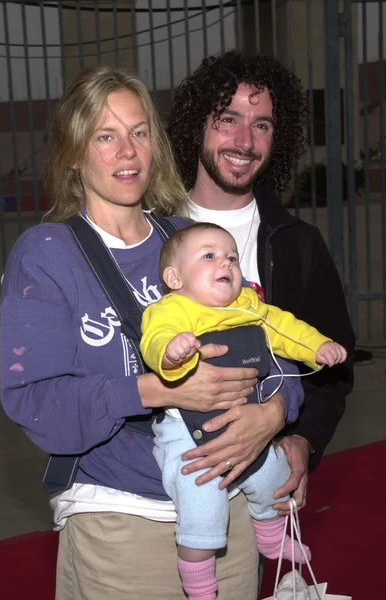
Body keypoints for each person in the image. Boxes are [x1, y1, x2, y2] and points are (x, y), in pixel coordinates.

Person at [0, 65, 300, 600]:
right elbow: (35, 402)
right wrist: (160, 389)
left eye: (139, 133)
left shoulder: (191, 241)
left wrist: (273, 413)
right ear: (74, 153)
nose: (128, 151)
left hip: (227, 511)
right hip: (121, 521)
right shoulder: (47, 255)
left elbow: (271, 342)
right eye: (105, 136)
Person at [167, 51, 355, 531]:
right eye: (228, 119)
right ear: (198, 125)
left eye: (263, 125)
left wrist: (302, 438)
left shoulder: (298, 244)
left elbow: (334, 365)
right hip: (155, 488)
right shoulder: (151, 233)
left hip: (255, 493)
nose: (244, 141)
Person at [140, 222, 346, 600]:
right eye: (210, 256)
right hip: (187, 433)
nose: (227, 263)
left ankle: (271, 539)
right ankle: (200, 586)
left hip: (247, 414)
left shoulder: (248, 306)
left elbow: (284, 328)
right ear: (174, 277)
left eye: (232, 257)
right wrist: (172, 350)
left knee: (273, 473)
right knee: (202, 508)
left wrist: (317, 346)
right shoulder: (171, 311)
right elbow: (153, 341)